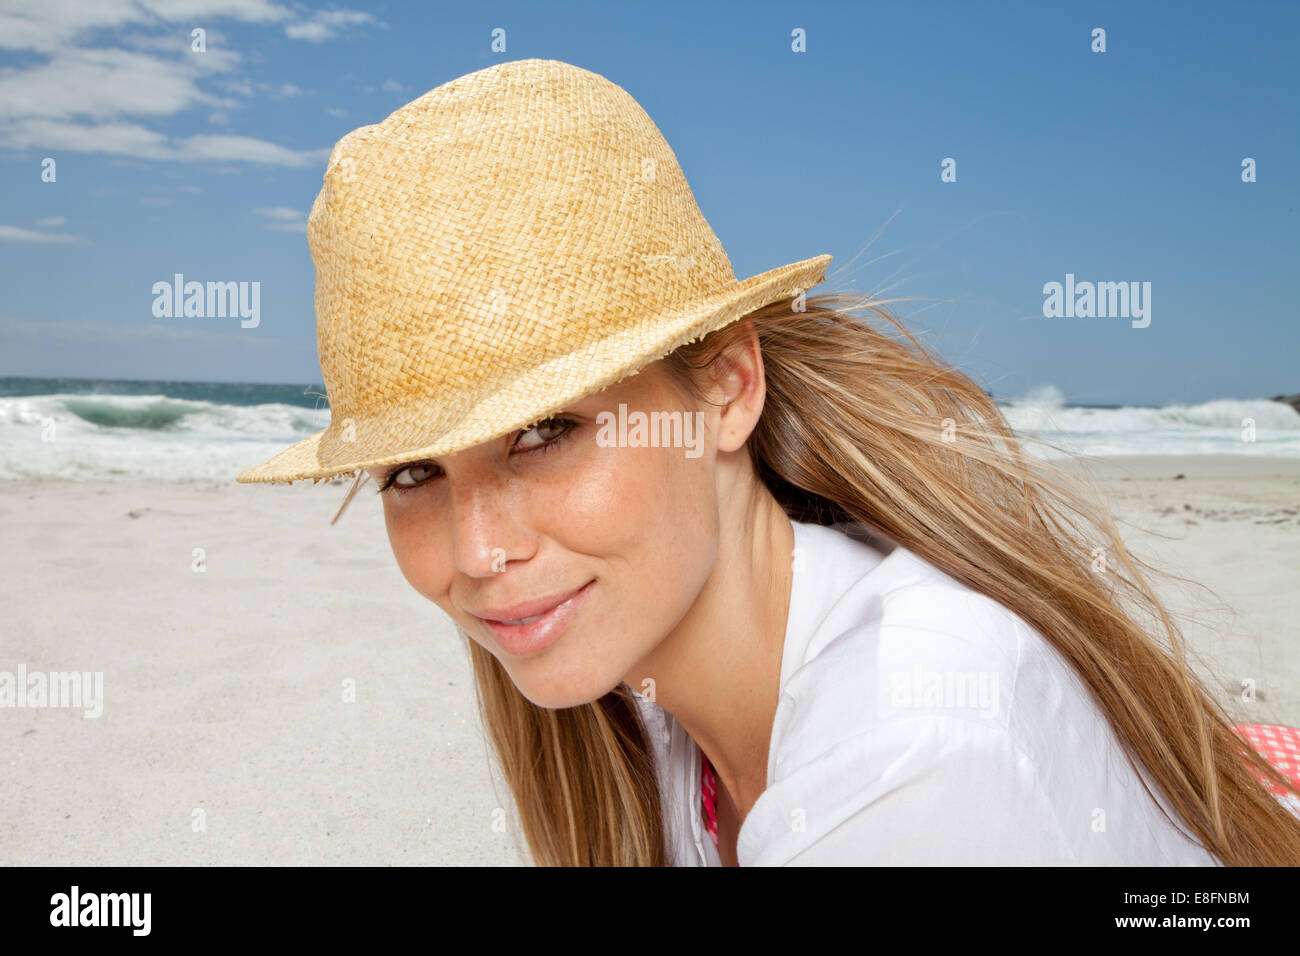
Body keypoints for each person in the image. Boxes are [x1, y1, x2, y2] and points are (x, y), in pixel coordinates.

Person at [237, 58, 1300, 866]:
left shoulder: (912, 744)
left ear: (725, 387)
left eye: (545, 430)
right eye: (412, 472)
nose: (476, 550)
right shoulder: (652, 699)